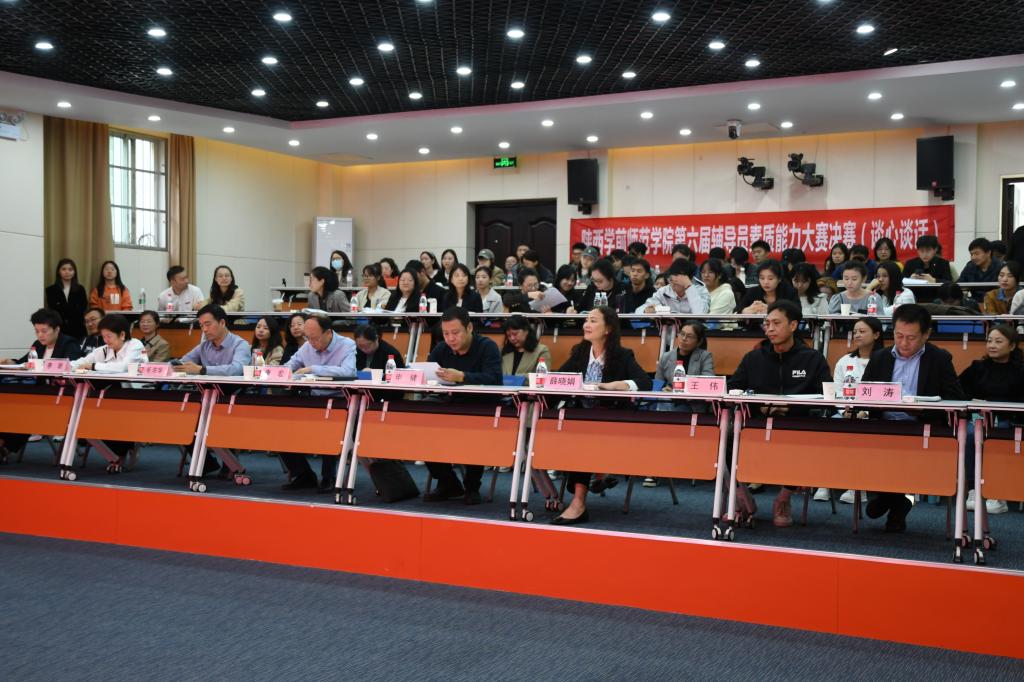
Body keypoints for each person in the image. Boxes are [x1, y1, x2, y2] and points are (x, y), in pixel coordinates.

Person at [859, 304, 966, 531]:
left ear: (926, 334)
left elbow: (955, 399)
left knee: (902, 453)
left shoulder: (939, 359)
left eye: (911, 337)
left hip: (922, 427)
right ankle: (897, 501)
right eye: (899, 336)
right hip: (883, 425)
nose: (904, 343)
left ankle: (890, 500)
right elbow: (865, 392)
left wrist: (922, 409)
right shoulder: (880, 357)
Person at [726, 300, 832, 527]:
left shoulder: (812, 358)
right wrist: (760, 406)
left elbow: (828, 398)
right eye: (767, 324)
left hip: (798, 425)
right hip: (756, 424)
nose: (770, 329)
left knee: (810, 442)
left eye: (776, 323)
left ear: (793, 325)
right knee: (720, 437)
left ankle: (783, 499)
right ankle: (741, 498)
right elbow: (733, 389)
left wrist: (792, 407)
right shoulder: (754, 358)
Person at [550, 307, 653, 525]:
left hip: (611, 423)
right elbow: (559, 378)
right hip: (581, 419)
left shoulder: (622, 355)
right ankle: (598, 476)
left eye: (593, 320)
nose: (586, 324)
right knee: (569, 432)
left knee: (584, 439)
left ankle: (578, 503)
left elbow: (645, 382)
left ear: (608, 329)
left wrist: (618, 385)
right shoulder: (580, 353)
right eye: (586, 320)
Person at [422, 307, 503, 505]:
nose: (450, 338)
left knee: (472, 429)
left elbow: (494, 379)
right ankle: (448, 483)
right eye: (446, 333)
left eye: (455, 332)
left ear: (469, 328)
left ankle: (472, 486)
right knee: (420, 424)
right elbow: (428, 375)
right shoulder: (441, 349)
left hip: (480, 407)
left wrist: (463, 377)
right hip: (448, 405)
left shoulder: (487, 347)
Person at [280, 314, 358, 491]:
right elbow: (290, 365)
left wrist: (312, 369)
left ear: (328, 333)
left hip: (339, 400)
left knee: (328, 429)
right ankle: (303, 474)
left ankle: (329, 477)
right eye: (307, 338)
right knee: (281, 426)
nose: (310, 342)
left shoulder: (347, 345)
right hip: (313, 398)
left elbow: (348, 371)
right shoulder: (307, 346)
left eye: (314, 338)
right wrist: (276, 372)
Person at [815, 316, 884, 503]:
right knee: (827, 430)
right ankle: (824, 483)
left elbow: (885, 391)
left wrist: (866, 412)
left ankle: (857, 487)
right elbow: (836, 391)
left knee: (862, 432)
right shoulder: (845, 361)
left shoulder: (885, 360)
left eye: (862, 331)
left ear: (876, 334)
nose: (857, 335)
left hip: (873, 415)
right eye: (855, 332)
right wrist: (842, 410)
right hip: (845, 413)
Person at [960, 324, 1024, 515]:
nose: (992, 345)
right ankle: (974, 490)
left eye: (998, 341)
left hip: (1011, 420)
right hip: (979, 418)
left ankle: (998, 494)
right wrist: (973, 402)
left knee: (998, 434)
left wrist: (996, 405)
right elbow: (957, 390)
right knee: (970, 434)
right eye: (989, 341)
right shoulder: (977, 367)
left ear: (1012, 346)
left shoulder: (1020, 371)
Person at [179, 304, 251, 376]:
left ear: (222, 323)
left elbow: (236, 369)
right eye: (201, 326)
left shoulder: (240, 344)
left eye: (208, 324)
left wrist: (202, 370)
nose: (204, 329)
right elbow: (183, 362)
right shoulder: (204, 346)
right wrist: (177, 365)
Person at [0, 308, 82, 365]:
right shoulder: (38, 344)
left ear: (57, 329)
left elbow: (70, 366)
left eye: (44, 331)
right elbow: (23, 363)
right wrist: (10, 362)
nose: (40, 335)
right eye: (37, 331)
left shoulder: (69, 344)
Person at [72, 313, 144, 371]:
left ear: (122, 334)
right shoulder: (104, 349)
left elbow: (124, 367)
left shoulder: (135, 345)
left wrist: (93, 366)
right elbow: (83, 362)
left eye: (109, 336)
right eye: (103, 337)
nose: (105, 340)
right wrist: (68, 366)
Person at [640, 258, 710, 314]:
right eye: (671, 278)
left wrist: (689, 287)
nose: (673, 281)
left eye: (678, 277)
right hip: (668, 327)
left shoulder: (701, 291)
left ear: (689, 279)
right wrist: (646, 310)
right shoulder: (663, 291)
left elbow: (701, 314)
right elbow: (639, 311)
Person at [45, 258, 88, 340]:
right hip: (59, 328)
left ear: (74, 272)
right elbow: (53, 309)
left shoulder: (80, 289)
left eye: (70, 269)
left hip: (77, 328)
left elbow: (83, 307)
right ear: (58, 271)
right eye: (64, 269)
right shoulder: (51, 290)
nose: (67, 272)